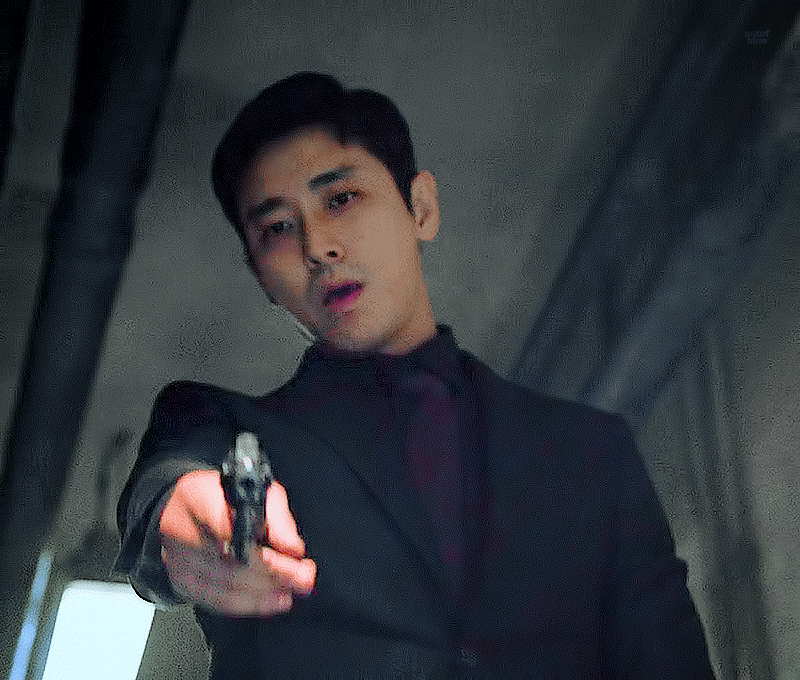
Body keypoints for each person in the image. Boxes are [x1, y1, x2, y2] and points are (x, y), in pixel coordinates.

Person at [116, 72, 716, 678]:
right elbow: (167, 488)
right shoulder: (222, 424)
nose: (318, 247)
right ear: (259, 274)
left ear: (420, 207)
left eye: (340, 198)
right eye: (277, 229)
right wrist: (179, 520)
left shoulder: (593, 451)